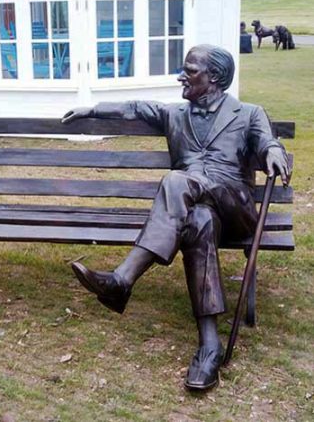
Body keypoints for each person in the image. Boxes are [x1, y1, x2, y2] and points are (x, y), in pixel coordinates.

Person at [61, 44, 290, 391]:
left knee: (176, 180)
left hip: (235, 208)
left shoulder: (248, 112)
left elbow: (266, 140)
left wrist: (273, 151)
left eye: (190, 70)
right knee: (198, 222)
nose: (181, 76)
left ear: (214, 77)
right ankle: (210, 346)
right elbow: (134, 107)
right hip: (196, 210)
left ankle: (123, 279)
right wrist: (91, 107)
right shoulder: (175, 115)